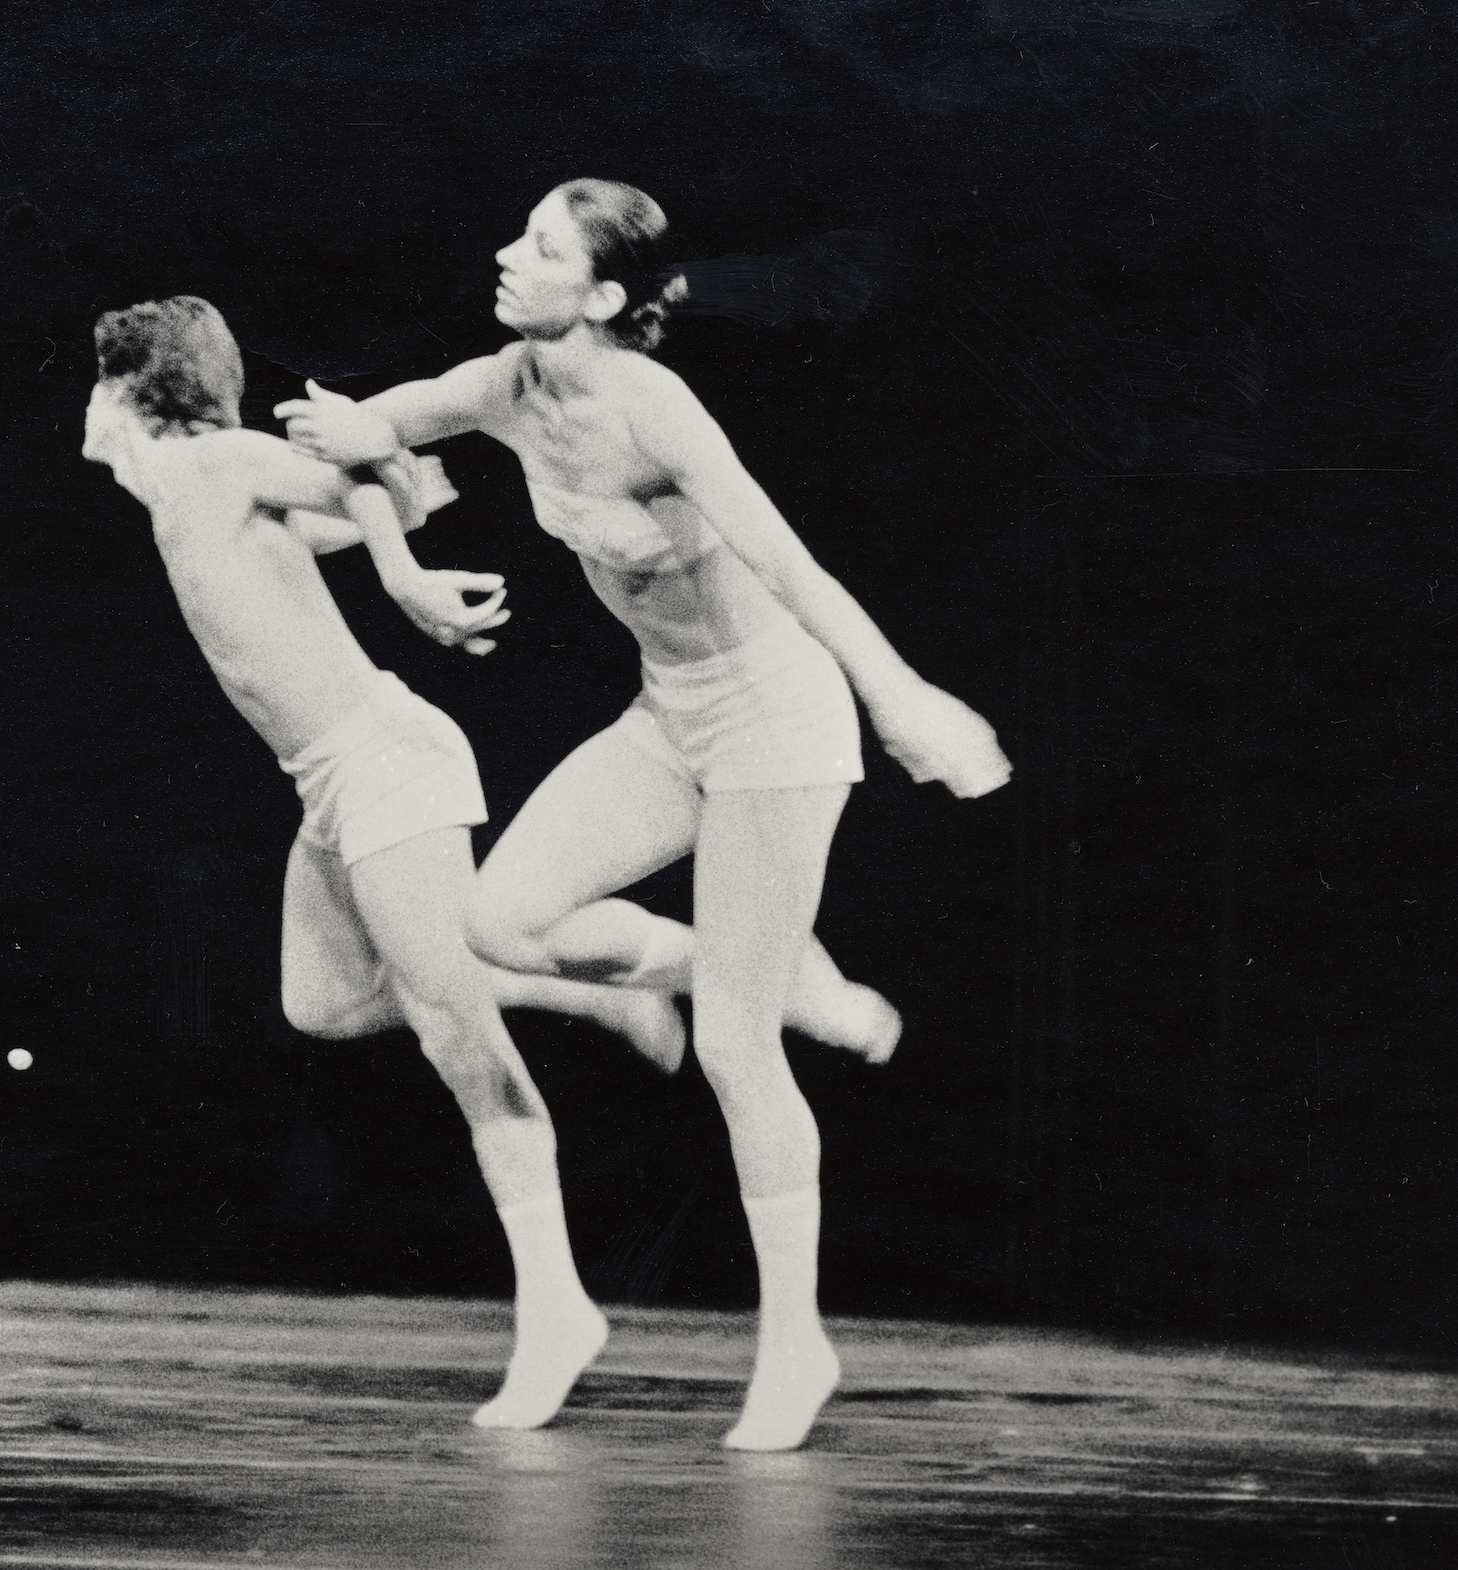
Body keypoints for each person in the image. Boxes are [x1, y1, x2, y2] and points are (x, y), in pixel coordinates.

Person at [277, 180, 1011, 1451]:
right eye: (517, 235)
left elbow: (789, 565)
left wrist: (900, 696)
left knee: (732, 1043)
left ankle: (795, 1342)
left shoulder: (652, 406)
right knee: (499, 921)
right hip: (668, 715)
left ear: (603, 295)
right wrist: (365, 464)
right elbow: (381, 428)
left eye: (540, 248)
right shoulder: (508, 383)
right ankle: (773, 974)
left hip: (776, 722)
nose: (506, 255)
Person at [81, 295, 686, 1432]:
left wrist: (402, 564)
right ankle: (591, 995)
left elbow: (354, 480)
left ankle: (558, 1310)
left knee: (460, 1040)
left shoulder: (213, 462)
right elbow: (355, 498)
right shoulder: (191, 496)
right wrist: (407, 490)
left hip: (386, 766)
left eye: (93, 383)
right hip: (334, 786)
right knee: (321, 1007)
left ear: (130, 392)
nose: (83, 406)